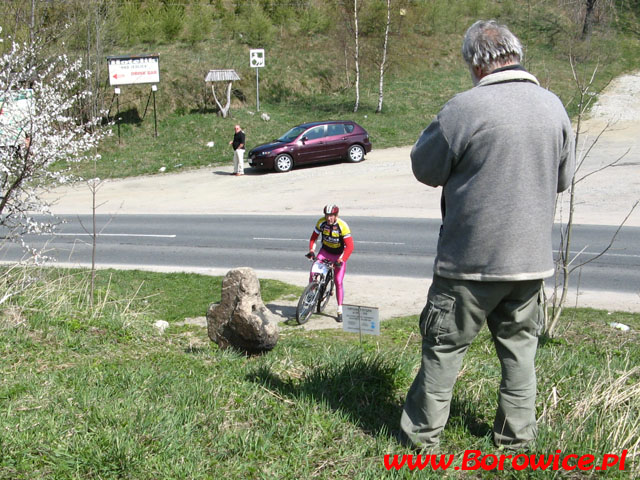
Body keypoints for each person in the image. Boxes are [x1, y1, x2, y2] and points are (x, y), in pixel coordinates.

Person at [400, 20, 575, 450]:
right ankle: (516, 443)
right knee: (520, 353)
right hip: (529, 260)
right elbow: (563, 179)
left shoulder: (463, 109)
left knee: (443, 349)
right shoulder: (554, 107)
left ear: (476, 65)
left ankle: (421, 441)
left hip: (468, 263)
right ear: (516, 54)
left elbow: (425, 169)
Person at [307, 204, 354, 322]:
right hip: (325, 251)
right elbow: (314, 238)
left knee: (338, 281)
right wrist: (312, 251)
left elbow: (350, 246)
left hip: (339, 255)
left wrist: (341, 260)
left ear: (336, 215)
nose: (329, 218)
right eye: (327, 215)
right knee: (313, 272)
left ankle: (339, 309)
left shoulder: (343, 226)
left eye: (331, 216)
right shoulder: (321, 223)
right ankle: (311, 295)